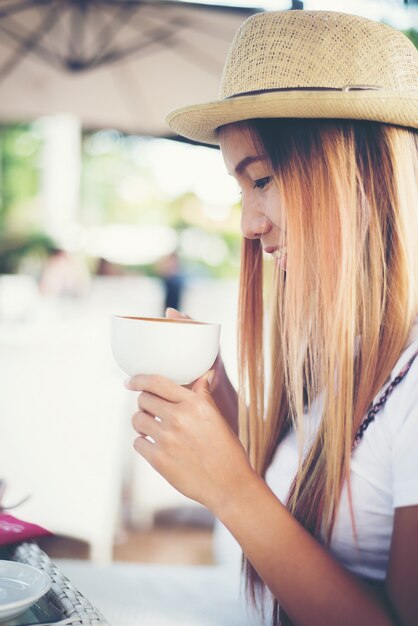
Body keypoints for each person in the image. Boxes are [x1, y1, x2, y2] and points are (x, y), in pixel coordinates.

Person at [125, 10, 418, 626]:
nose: (249, 224)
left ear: (359, 172)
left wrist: (231, 488)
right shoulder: (350, 349)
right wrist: (233, 426)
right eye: (243, 191)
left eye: (263, 179)